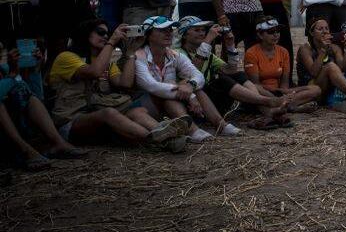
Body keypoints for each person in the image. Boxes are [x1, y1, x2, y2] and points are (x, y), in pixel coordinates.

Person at [49, 19, 189, 153]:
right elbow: (94, 72)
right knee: (109, 113)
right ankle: (160, 139)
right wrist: (112, 42)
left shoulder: (106, 62)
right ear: (85, 33)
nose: (105, 36)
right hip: (70, 123)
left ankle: (168, 136)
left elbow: (124, 83)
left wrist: (131, 53)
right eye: (100, 32)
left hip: (98, 119)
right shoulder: (66, 57)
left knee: (137, 111)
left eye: (107, 33)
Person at [134, 15, 237, 142]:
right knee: (173, 92)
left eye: (170, 29)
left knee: (192, 86)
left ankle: (220, 125)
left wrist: (190, 86)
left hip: (171, 102)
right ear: (148, 35)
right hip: (146, 105)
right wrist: (190, 95)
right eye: (162, 30)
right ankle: (193, 130)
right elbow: (151, 86)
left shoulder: (173, 55)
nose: (168, 33)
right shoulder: (139, 55)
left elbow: (198, 76)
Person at [176, 16, 288, 127]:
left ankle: (269, 112)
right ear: (185, 34)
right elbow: (193, 71)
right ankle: (268, 102)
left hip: (212, 100)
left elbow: (231, 70)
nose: (202, 33)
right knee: (221, 81)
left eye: (203, 30)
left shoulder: (208, 54)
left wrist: (230, 46)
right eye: (196, 30)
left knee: (239, 75)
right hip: (193, 101)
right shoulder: (178, 53)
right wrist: (208, 41)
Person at [1, 42, 87, 170]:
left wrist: (35, 69)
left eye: (1, 50)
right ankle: (25, 150)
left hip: (17, 122)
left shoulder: (5, 69)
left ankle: (58, 143)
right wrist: (12, 76)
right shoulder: (9, 72)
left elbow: (36, 95)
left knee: (31, 98)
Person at [296, 18, 346, 113]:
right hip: (314, 90)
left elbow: (345, 69)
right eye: (320, 29)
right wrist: (323, 50)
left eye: (326, 28)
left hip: (333, 88)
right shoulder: (305, 49)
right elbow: (313, 72)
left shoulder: (334, 48)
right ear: (312, 33)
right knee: (330, 66)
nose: (324, 31)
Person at [244, 15, 320, 112]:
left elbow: (285, 82)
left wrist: (285, 94)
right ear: (260, 35)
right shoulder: (251, 53)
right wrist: (276, 95)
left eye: (278, 31)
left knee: (316, 89)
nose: (276, 35)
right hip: (263, 93)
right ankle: (290, 106)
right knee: (255, 89)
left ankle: (284, 104)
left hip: (280, 92)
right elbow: (255, 84)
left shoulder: (283, 51)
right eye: (271, 32)